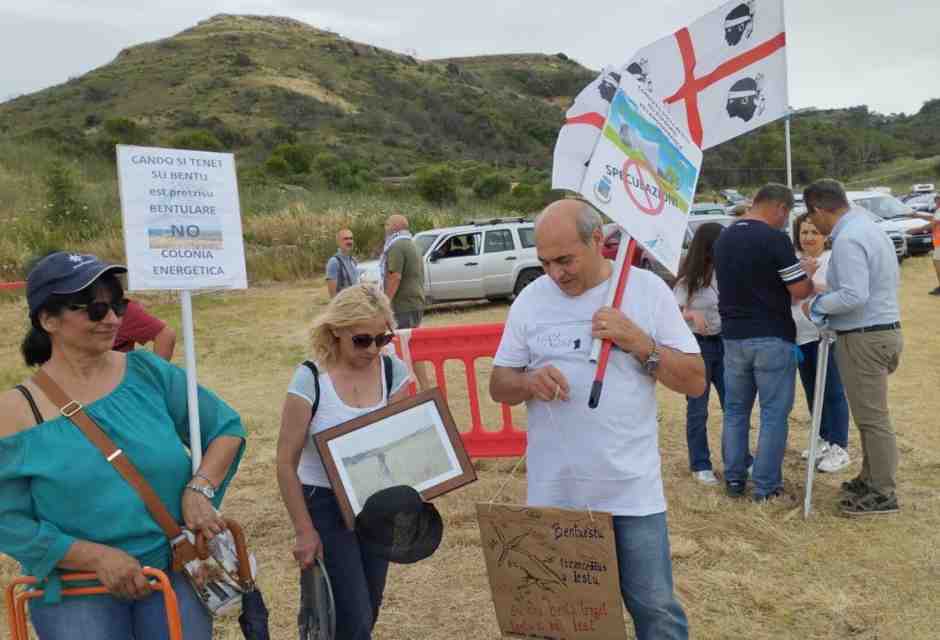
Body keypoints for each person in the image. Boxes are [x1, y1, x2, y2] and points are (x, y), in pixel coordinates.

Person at [0, 251, 246, 639]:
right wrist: (93, 557)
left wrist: (200, 488)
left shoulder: (149, 372)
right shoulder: (14, 412)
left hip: (175, 571)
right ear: (48, 320)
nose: (113, 319)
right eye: (96, 310)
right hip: (78, 592)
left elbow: (226, 429)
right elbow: (7, 521)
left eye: (118, 305)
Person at [489, 200, 705, 640]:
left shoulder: (645, 291)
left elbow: (695, 381)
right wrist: (529, 382)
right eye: (545, 262)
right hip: (557, 492)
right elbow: (499, 384)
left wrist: (638, 341)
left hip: (630, 491)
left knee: (656, 610)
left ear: (596, 240)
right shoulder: (531, 300)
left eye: (565, 260)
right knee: (565, 618)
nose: (556, 273)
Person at [276, 284, 412, 640]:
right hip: (324, 504)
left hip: (375, 503)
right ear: (336, 330)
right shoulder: (310, 379)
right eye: (362, 340)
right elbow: (285, 462)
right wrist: (305, 531)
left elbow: (402, 442)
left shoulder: (392, 370)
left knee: (368, 607)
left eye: (382, 339)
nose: (373, 349)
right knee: (352, 618)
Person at [802, 179, 903, 516]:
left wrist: (816, 306)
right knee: (868, 415)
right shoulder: (869, 228)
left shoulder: (848, 238)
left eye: (811, 216)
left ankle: (883, 492)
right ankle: (871, 477)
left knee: (873, 419)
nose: (812, 224)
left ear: (818, 208)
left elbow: (853, 295)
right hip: (878, 330)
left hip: (864, 336)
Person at [713, 183, 813, 501]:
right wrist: (808, 274)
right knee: (772, 414)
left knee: (735, 410)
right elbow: (798, 290)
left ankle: (734, 479)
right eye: (787, 215)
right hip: (772, 334)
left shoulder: (724, 237)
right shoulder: (775, 239)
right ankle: (766, 487)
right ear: (781, 208)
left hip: (732, 337)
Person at [790, 213, 851, 473]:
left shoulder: (833, 260)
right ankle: (822, 437)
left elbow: (839, 291)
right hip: (800, 338)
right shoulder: (793, 262)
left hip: (826, 338)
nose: (808, 237)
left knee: (833, 391)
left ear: (825, 235)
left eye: (814, 232)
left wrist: (810, 281)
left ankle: (840, 446)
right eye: (804, 232)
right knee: (813, 389)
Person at [673, 222, 726, 485]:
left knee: (735, 405)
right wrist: (692, 315)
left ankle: (739, 459)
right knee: (698, 408)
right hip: (699, 346)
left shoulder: (727, 272)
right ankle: (700, 464)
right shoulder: (688, 279)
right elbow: (672, 313)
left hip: (726, 343)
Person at [380, 214, 430, 389]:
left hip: (402, 305)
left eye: (386, 224)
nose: (384, 228)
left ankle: (405, 389)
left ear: (395, 226)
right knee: (413, 346)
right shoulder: (412, 244)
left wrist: (384, 303)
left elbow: (394, 277)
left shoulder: (397, 246)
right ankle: (425, 386)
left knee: (401, 348)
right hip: (415, 302)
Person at [910, 193, 940, 295]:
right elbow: (933, 218)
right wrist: (917, 215)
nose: (935, 202)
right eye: (935, 200)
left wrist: (915, 230)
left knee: (937, 263)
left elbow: (932, 224)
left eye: (937, 200)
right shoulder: (938, 211)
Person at [326, 228, 360, 298]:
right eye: (346, 239)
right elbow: (333, 295)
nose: (349, 241)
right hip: (344, 306)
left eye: (351, 238)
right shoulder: (334, 262)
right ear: (338, 242)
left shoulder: (352, 260)